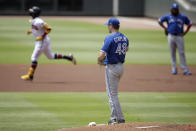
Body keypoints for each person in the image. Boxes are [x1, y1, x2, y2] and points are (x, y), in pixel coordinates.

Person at [21, 6, 76, 81]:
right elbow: (38, 29)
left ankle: (30, 75)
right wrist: (31, 31)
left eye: (32, 12)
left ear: (34, 13)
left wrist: (42, 36)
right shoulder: (34, 20)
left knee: (34, 58)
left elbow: (49, 28)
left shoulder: (39, 21)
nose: (30, 13)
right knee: (50, 56)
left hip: (42, 42)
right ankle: (69, 57)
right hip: (44, 41)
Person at [97, 18, 129, 124]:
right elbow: (126, 49)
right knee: (114, 94)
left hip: (112, 68)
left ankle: (114, 118)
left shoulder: (110, 37)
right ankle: (120, 118)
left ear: (111, 26)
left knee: (111, 94)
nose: (107, 27)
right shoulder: (125, 37)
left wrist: (99, 60)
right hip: (121, 67)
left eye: (108, 25)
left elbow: (101, 55)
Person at [158, 3, 192, 75]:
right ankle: (174, 69)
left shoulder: (183, 17)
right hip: (170, 36)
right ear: (171, 9)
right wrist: (165, 28)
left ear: (178, 10)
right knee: (172, 53)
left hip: (180, 36)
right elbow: (159, 21)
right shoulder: (168, 16)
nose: (175, 10)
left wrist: (185, 32)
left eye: (176, 9)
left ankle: (185, 70)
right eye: (174, 9)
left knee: (181, 53)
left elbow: (190, 24)